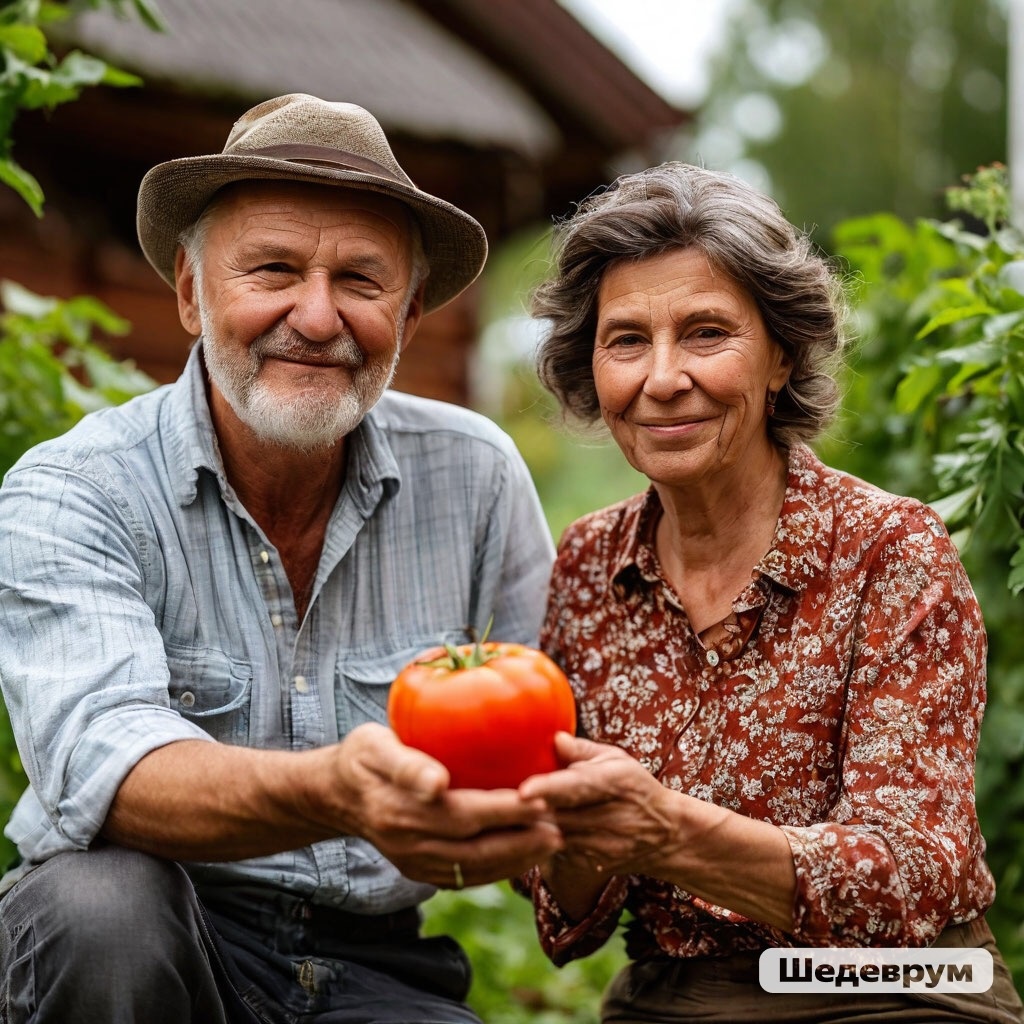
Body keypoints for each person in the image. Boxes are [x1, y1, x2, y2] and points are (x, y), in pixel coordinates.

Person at [0, 93, 561, 1023]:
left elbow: (553, 739)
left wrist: (532, 835)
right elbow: (107, 768)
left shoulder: (475, 475)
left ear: (410, 313)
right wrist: (339, 792)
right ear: (190, 292)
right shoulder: (76, 488)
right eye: (272, 269)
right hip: (160, 936)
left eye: (361, 281)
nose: (316, 314)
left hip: (374, 966)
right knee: (100, 910)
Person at [515, 161, 1024, 1023]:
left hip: (888, 989)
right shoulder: (590, 564)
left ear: (782, 353)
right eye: (627, 339)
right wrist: (561, 832)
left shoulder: (888, 550)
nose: (663, 377)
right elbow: (567, 926)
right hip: (674, 997)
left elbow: (912, 871)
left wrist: (663, 829)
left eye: (707, 333)